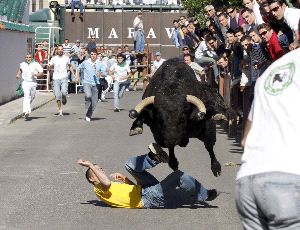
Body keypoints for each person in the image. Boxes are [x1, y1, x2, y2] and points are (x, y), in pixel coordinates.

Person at [235, 20, 300, 229]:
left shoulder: (272, 72)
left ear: (298, 34)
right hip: (288, 181)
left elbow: (245, 139)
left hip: (248, 182)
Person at [78, 143, 219, 208]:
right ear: (92, 178)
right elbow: (106, 183)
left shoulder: (107, 186)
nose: (101, 170)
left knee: (129, 164)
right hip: (148, 198)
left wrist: (124, 179)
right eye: (98, 170)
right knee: (178, 175)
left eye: (101, 168)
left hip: (143, 190)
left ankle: (153, 158)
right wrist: (90, 165)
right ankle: (204, 195)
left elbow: (132, 189)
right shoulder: (99, 189)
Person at [76, 49, 106, 122]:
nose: (93, 56)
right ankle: (87, 100)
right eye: (92, 54)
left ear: (96, 55)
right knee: (89, 95)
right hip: (87, 82)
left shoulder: (100, 63)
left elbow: (105, 73)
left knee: (94, 102)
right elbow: (78, 68)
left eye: (94, 54)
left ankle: (88, 115)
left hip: (96, 84)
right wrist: (77, 77)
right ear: (90, 55)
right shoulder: (86, 62)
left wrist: (100, 74)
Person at [48, 45, 74, 116]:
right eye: (59, 49)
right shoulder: (53, 58)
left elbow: (70, 66)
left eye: (61, 49)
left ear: (63, 50)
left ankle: (64, 97)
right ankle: (60, 110)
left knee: (64, 92)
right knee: (57, 95)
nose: (60, 50)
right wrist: (49, 68)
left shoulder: (66, 58)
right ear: (57, 50)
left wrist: (74, 75)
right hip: (55, 78)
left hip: (64, 77)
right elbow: (49, 66)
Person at [16, 54, 44, 120]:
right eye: (27, 57)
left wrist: (36, 74)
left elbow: (42, 73)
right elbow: (20, 69)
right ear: (25, 58)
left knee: (31, 97)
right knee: (26, 96)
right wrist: (18, 74)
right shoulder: (22, 64)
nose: (28, 58)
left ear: (32, 58)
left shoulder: (36, 64)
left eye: (29, 57)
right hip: (25, 82)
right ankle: (26, 111)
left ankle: (26, 110)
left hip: (33, 83)